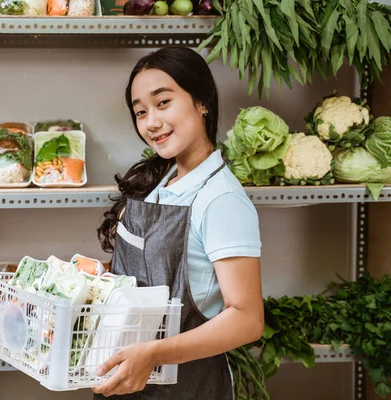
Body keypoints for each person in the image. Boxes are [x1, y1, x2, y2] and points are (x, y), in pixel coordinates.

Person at [93, 46, 265, 399]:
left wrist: (154, 353)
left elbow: (248, 319)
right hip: (125, 377)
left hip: (188, 387)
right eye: (140, 111)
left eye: (163, 103)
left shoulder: (220, 199)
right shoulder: (159, 181)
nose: (151, 122)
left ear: (202, 101)